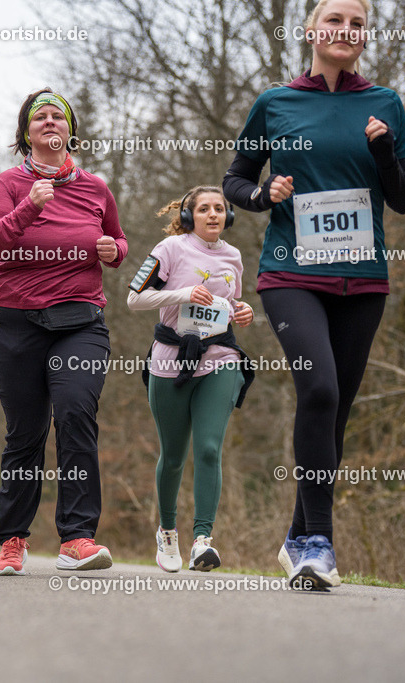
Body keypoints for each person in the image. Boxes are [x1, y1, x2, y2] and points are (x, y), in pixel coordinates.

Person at [223, 0, 405, 590]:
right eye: (334, 20)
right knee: (320, 388)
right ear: (311, 31)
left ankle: (297, 539)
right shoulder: (277, 102)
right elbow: (235, 179)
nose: (346, 31)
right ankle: (321, 544)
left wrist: (384, 154)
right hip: (291, 273)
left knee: (334, 412)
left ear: (364, 36)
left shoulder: (383, 104)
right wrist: (264, 196)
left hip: (363, 279)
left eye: (357, 23)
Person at [0, 88, 128, 575]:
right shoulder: (9, 183)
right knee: (25, 433)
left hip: (79, 321)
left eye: (56, 116)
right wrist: (28, 209)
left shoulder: (95, 187)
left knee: (76, 414)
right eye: (38, 117)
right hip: (15, 322)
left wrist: (115, 252)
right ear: (26, 134)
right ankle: (14, 540)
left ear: (69, 130)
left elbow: (118, 238)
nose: (49, 122)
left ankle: (78, 538)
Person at [127, 186, 255, 572]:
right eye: (204, 209)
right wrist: (182, 294)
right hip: (170, 362)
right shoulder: (170, 249)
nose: (213, 215)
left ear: (228, 217)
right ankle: (167, 533)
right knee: (174, 455)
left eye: (220, 209)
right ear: (189, 216)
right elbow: (134, 299)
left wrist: (243, 311)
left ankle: (203, 541)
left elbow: (228, 306)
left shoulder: (233, 256)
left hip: (220, 358)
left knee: (210, 449)